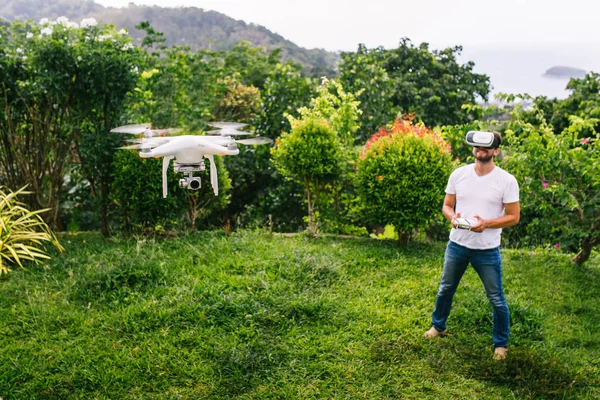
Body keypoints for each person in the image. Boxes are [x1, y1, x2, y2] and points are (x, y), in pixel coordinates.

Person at [423, 131, 520, 361]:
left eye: (486, 147)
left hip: (487, 249)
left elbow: (514, 216)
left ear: (496, 151)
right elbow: (447, 205)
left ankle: (501, 344)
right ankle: (438, 326)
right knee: (446, 288)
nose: (480, 150)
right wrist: (452, 218)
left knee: (496, 298)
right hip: (457, 244)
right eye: (477, 146)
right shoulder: (459, 174)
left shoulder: (506, 180)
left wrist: (486, 224)